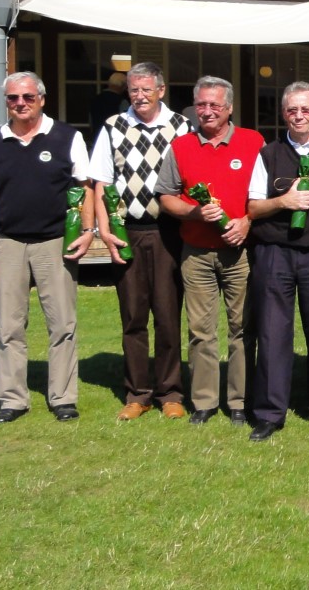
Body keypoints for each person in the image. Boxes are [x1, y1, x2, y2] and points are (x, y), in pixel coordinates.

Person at [0, 72, 94, 424]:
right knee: (9, 325)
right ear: (6, 102)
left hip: (55, 242)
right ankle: (12, 400)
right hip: (7, 242)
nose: (20, 103)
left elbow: (85, 187)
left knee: (62, 324)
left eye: (27, 97)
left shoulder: (67, 137)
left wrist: (88, 231)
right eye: (13, 98)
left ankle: (63, 398)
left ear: (41, 99)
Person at [155, 76, 262, 426]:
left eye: (215, 104)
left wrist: (247, 221)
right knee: (201, 330)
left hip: (240, 252)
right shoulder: (181, 146)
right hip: (197, 252)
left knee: (242, 328)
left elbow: (264, 196)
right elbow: (166, 196)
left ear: (229, 108)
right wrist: (194, 212)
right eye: (201, 104)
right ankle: (204, 401)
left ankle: (239, 401)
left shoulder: (253, 142)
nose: (207, 111)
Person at [88, 62, 190, 421]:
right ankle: (138, 394)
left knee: (167, 315)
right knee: (133, 316)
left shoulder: (182, 127)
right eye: (134, 89)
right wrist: (105, 232)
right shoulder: (113, 127)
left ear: (161, 90)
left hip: (169, 233)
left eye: (147, 89)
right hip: (127, 231)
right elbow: (100, 183)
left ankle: (170, 392)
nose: (140, 96)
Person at [245, 82, 309, 441]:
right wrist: (283, 202)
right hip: (276, 253)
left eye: (305, 110)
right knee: (273, 332)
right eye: (292, 110)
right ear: (283, 113)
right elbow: (253, 208)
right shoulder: (269, 154)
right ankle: (270, 413)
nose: (298, 116)